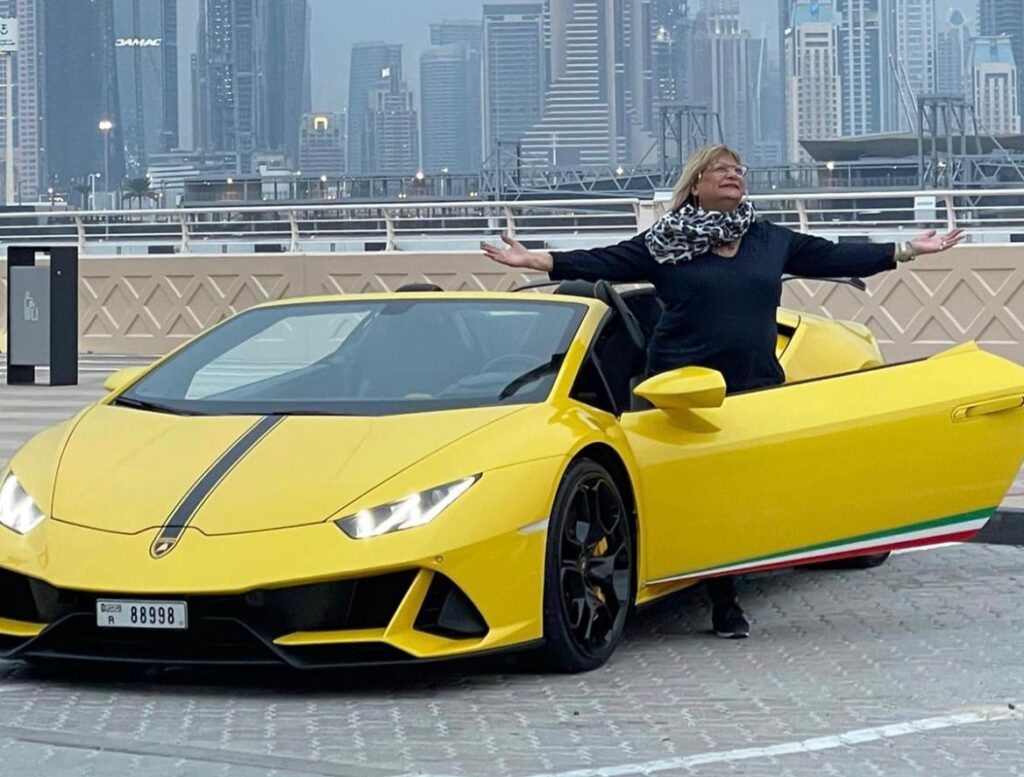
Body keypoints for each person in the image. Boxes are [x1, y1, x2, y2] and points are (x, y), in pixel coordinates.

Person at [481, 144, 964, 639]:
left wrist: (906, 249)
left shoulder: (767, 238)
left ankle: (756, 566)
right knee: (705, 497)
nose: (734, 175)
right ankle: (724, 601)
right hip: (682, 391)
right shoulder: (665, 241)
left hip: (754, 386)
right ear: (696, 183)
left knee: (748, 493)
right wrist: (534, 259)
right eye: (721, 169)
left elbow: (833, 255)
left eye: (739, 169)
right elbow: (602, 260)